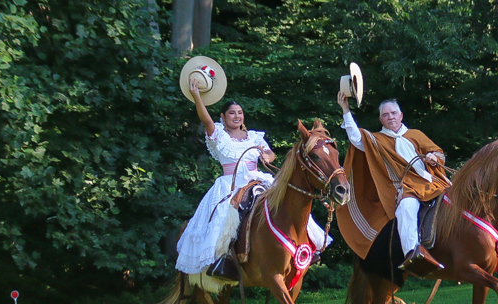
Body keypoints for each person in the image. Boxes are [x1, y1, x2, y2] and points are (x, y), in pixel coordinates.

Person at [176, 74, 330, 285]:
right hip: (230, 184)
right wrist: (196, 96)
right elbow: (206, 119)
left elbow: (269, 154)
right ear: (223, 117)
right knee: (225, 215)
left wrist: (267, 156)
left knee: (288, 202)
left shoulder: (255, 137)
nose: (237, 116)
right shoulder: (219, 135)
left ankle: (309, 245)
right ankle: (225, 260)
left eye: (240, 113)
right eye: (232, 113)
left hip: (258, 179)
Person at [337, 91, 450, 272]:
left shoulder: (416, 134)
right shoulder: (376, 140)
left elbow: (438, 153)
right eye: (386, 115)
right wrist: (345, 109)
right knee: (406, 208)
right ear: (381, 120)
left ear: (401, 115)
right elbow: (356, 138)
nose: (390, 117)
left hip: (432, 183)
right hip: (406, 188)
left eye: (393, 113)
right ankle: (413, 255)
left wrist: (433, 157)